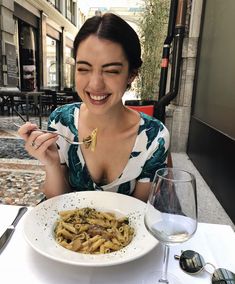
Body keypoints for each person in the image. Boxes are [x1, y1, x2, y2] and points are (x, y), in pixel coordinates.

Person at [18, 13, 169, 202]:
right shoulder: (62, 121)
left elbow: (140, 214)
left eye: (111, 71)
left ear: (131, 75)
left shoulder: (153, 136)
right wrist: (52, 164)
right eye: (83, 69)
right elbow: (56, 202)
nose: (95, 84)